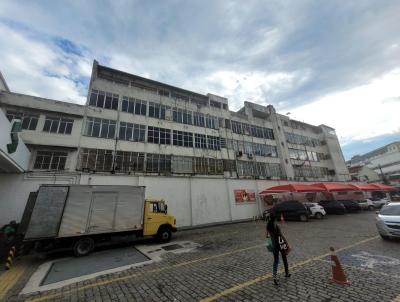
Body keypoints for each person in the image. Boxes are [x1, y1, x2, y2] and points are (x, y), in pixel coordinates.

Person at [265, 213, 291, 285]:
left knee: (275, 261)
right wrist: (287, 245)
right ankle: (287, 273)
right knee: (284, 258)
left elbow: (266, 236)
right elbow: (281, 236)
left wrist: (271, 236)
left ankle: (274, 277)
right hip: (280, 243)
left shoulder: (268, 225)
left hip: (274, 245)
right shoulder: (276, 226)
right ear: (275, 219)